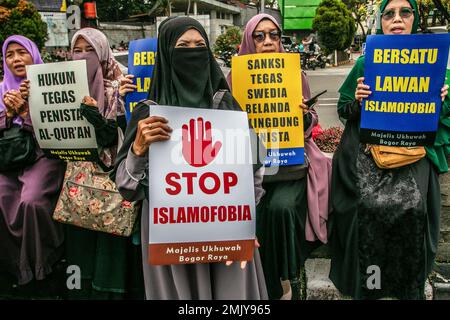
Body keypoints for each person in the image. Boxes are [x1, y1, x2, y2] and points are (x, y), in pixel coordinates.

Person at [111, 16, 268, 300]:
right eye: (183, 46)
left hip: (225, 232)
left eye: (200, 45)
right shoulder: (148, 113)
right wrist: (137, 150)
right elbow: (126, 187)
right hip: (169, 236)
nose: (192, 52)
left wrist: (246, 223)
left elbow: (254, 171)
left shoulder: (226, 104)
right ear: (166, 53)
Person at [329, 0, 450, 300]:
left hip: (414, 155)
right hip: (371, 154)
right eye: (389, 14)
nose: (397, 19)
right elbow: (344, 109)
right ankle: (371, 286)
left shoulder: (434, 62)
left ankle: (405, 286)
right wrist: (357, 100)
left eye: (404, 12)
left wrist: (442, 99)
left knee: (413, 210)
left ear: (414, 19)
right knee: (366, 211)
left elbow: (443, 118)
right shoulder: (364, 62)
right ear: (381, 22)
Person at [227, 13, 332, 299]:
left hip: (289, 167)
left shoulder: (296, 75)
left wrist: (302, 116)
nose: (268, 41)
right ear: (249, 40)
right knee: (254, 212)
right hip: (248, 169)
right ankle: (265, 285)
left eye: (274, 35)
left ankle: (290, 276)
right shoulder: (232, 78)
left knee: (282, 209)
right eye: (259, 36)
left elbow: (312, 122)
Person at [62, 27, 143, 299]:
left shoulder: (121, 87)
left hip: (110, 181)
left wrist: (97, 116)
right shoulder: (62, 88)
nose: (84, 56)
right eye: (78, 50)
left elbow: (116, 137)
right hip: (76, 180)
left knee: (109, 246)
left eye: (91, 50)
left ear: (104, 54)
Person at [0, 35, 66, 291]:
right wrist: (9, 114)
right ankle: (13, 266)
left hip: (43, 155)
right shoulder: (2, 88)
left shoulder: (51, 87)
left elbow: (59, 130)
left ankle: (42, 263)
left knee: (32, 201)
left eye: (22, 52)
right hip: (8, 159)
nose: (16, 59)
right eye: (10, 54)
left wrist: (28, 112)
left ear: (34, 55)